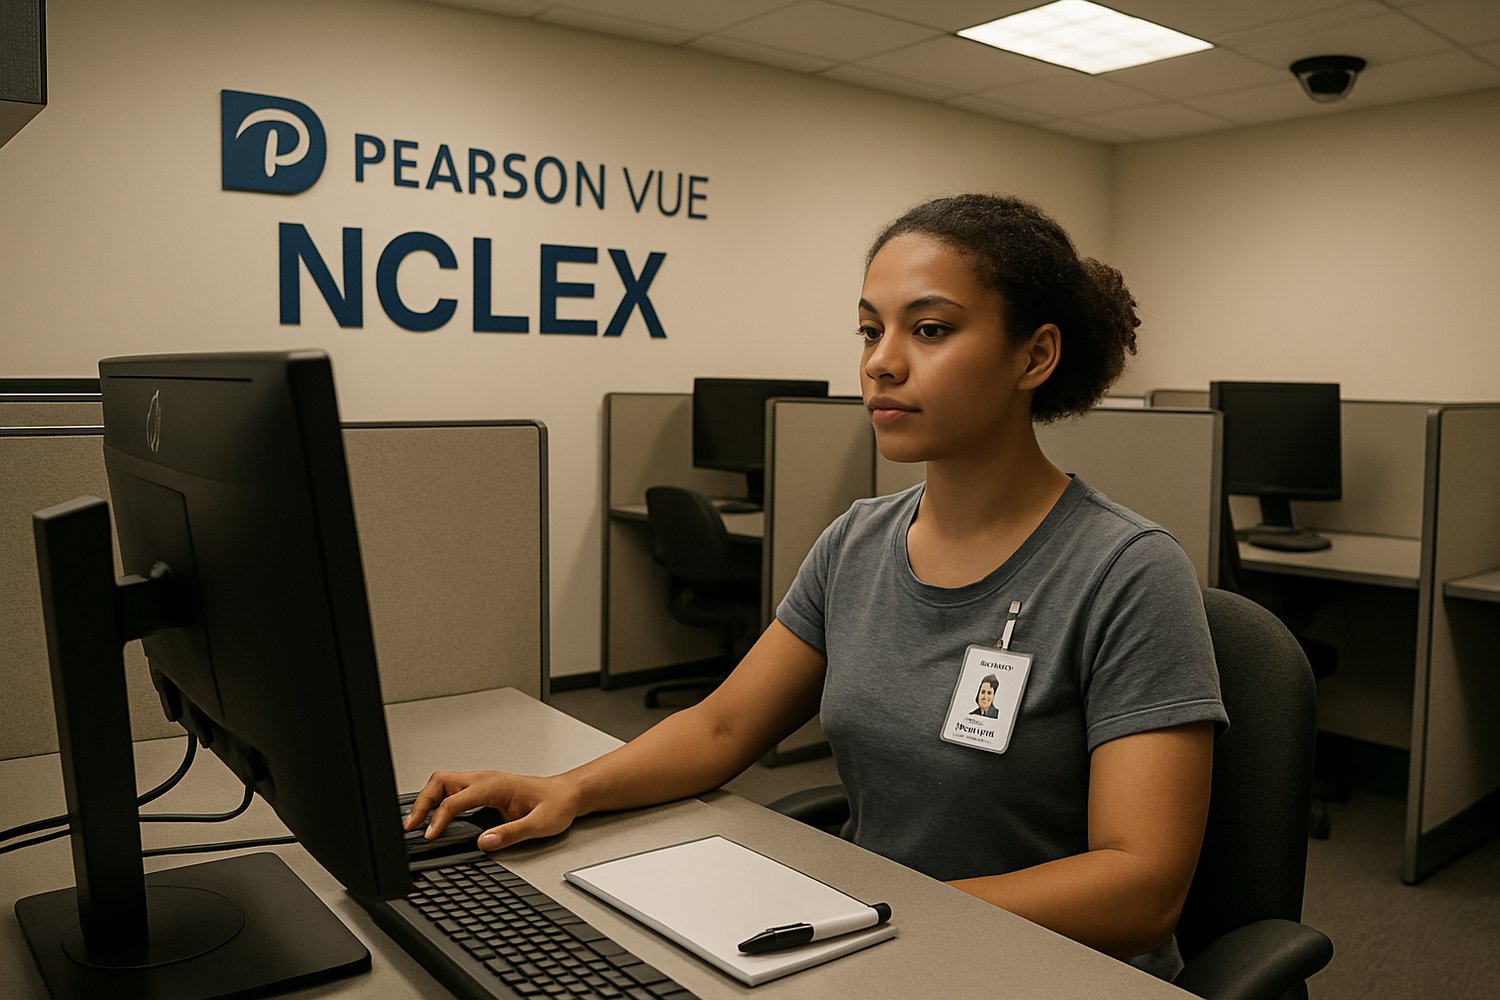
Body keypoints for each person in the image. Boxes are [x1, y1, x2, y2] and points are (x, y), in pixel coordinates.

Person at [405, 193, 1226, 979]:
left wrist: (879, 915)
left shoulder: (1127, 571)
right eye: (870, 330)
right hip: (879, 946)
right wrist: (568, 789)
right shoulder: (858, 543)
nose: (881, 361)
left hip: (1033, 968)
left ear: (1034, 355)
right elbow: (725, 727)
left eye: (930, 329)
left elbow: (1141, 887)